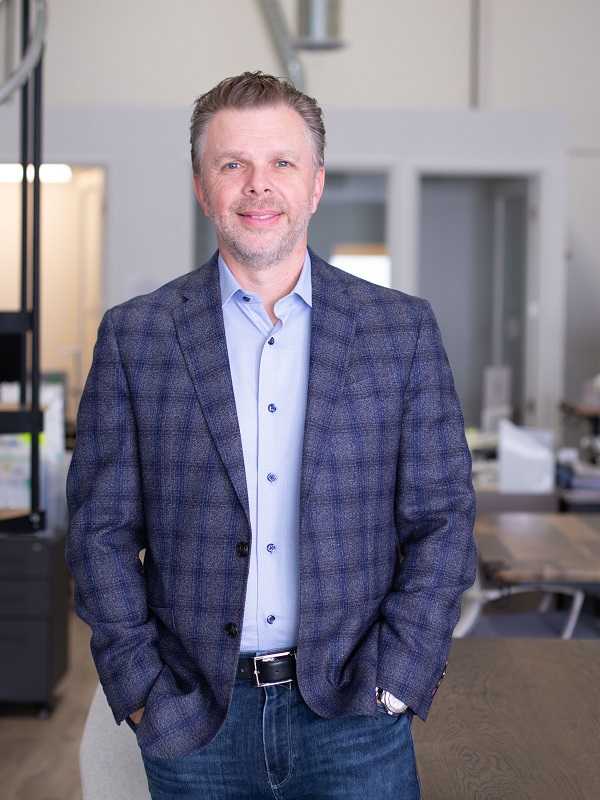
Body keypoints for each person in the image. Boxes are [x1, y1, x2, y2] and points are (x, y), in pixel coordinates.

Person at [66, 71, 477, 800]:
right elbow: (99, 533)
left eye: (281, 163)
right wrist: (142, 690)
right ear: (203, 186)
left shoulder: (400, 331)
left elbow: (443, 520)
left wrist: (398, 680)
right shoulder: (137, 337)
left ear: (315, 183)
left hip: (356, 714)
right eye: (233, 165)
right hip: (195, 721)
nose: (259, 187)